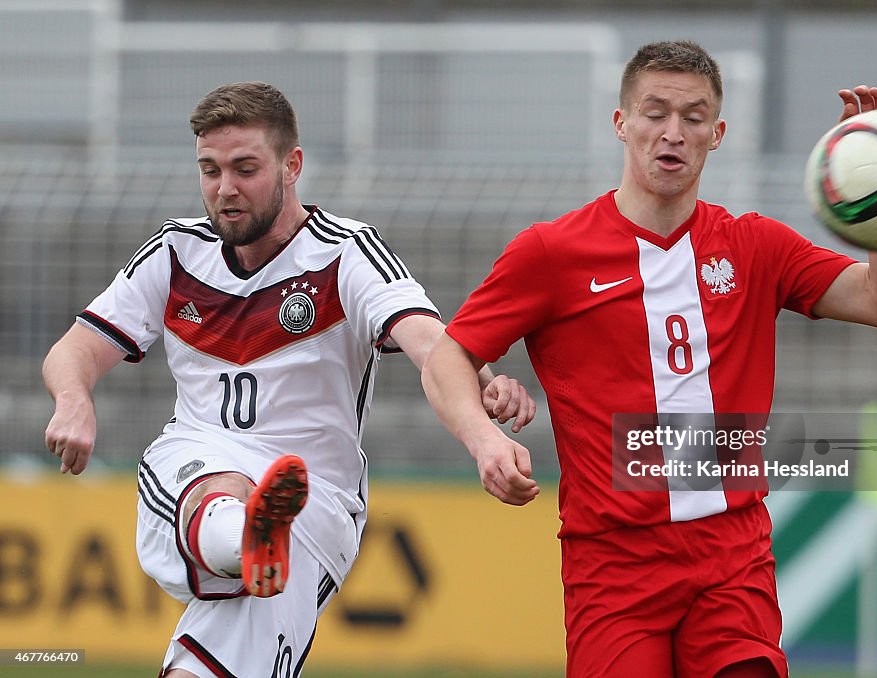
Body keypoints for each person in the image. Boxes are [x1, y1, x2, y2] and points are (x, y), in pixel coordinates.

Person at [420, 41, 877, 678]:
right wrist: (484, 440)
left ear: (717, 134)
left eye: (692, 117)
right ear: (621, 123)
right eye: (654, 112)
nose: (672, 132)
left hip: (732, 553)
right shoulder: (552, 253)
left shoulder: (755, 245)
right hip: (615, 564)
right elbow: (447, 359)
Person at [41, 81, 535, 677]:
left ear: (291, 165)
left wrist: (483, 422)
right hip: (202, 461)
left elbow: (430, 342)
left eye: (245, 168)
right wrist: (73, 400)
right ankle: (244, 536)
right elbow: (75, 349)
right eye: (210, 170)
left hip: (313, 504)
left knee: (231, 502)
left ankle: (250, 533)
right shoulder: (175, 252)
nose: (225, 189)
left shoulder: (345, 253)